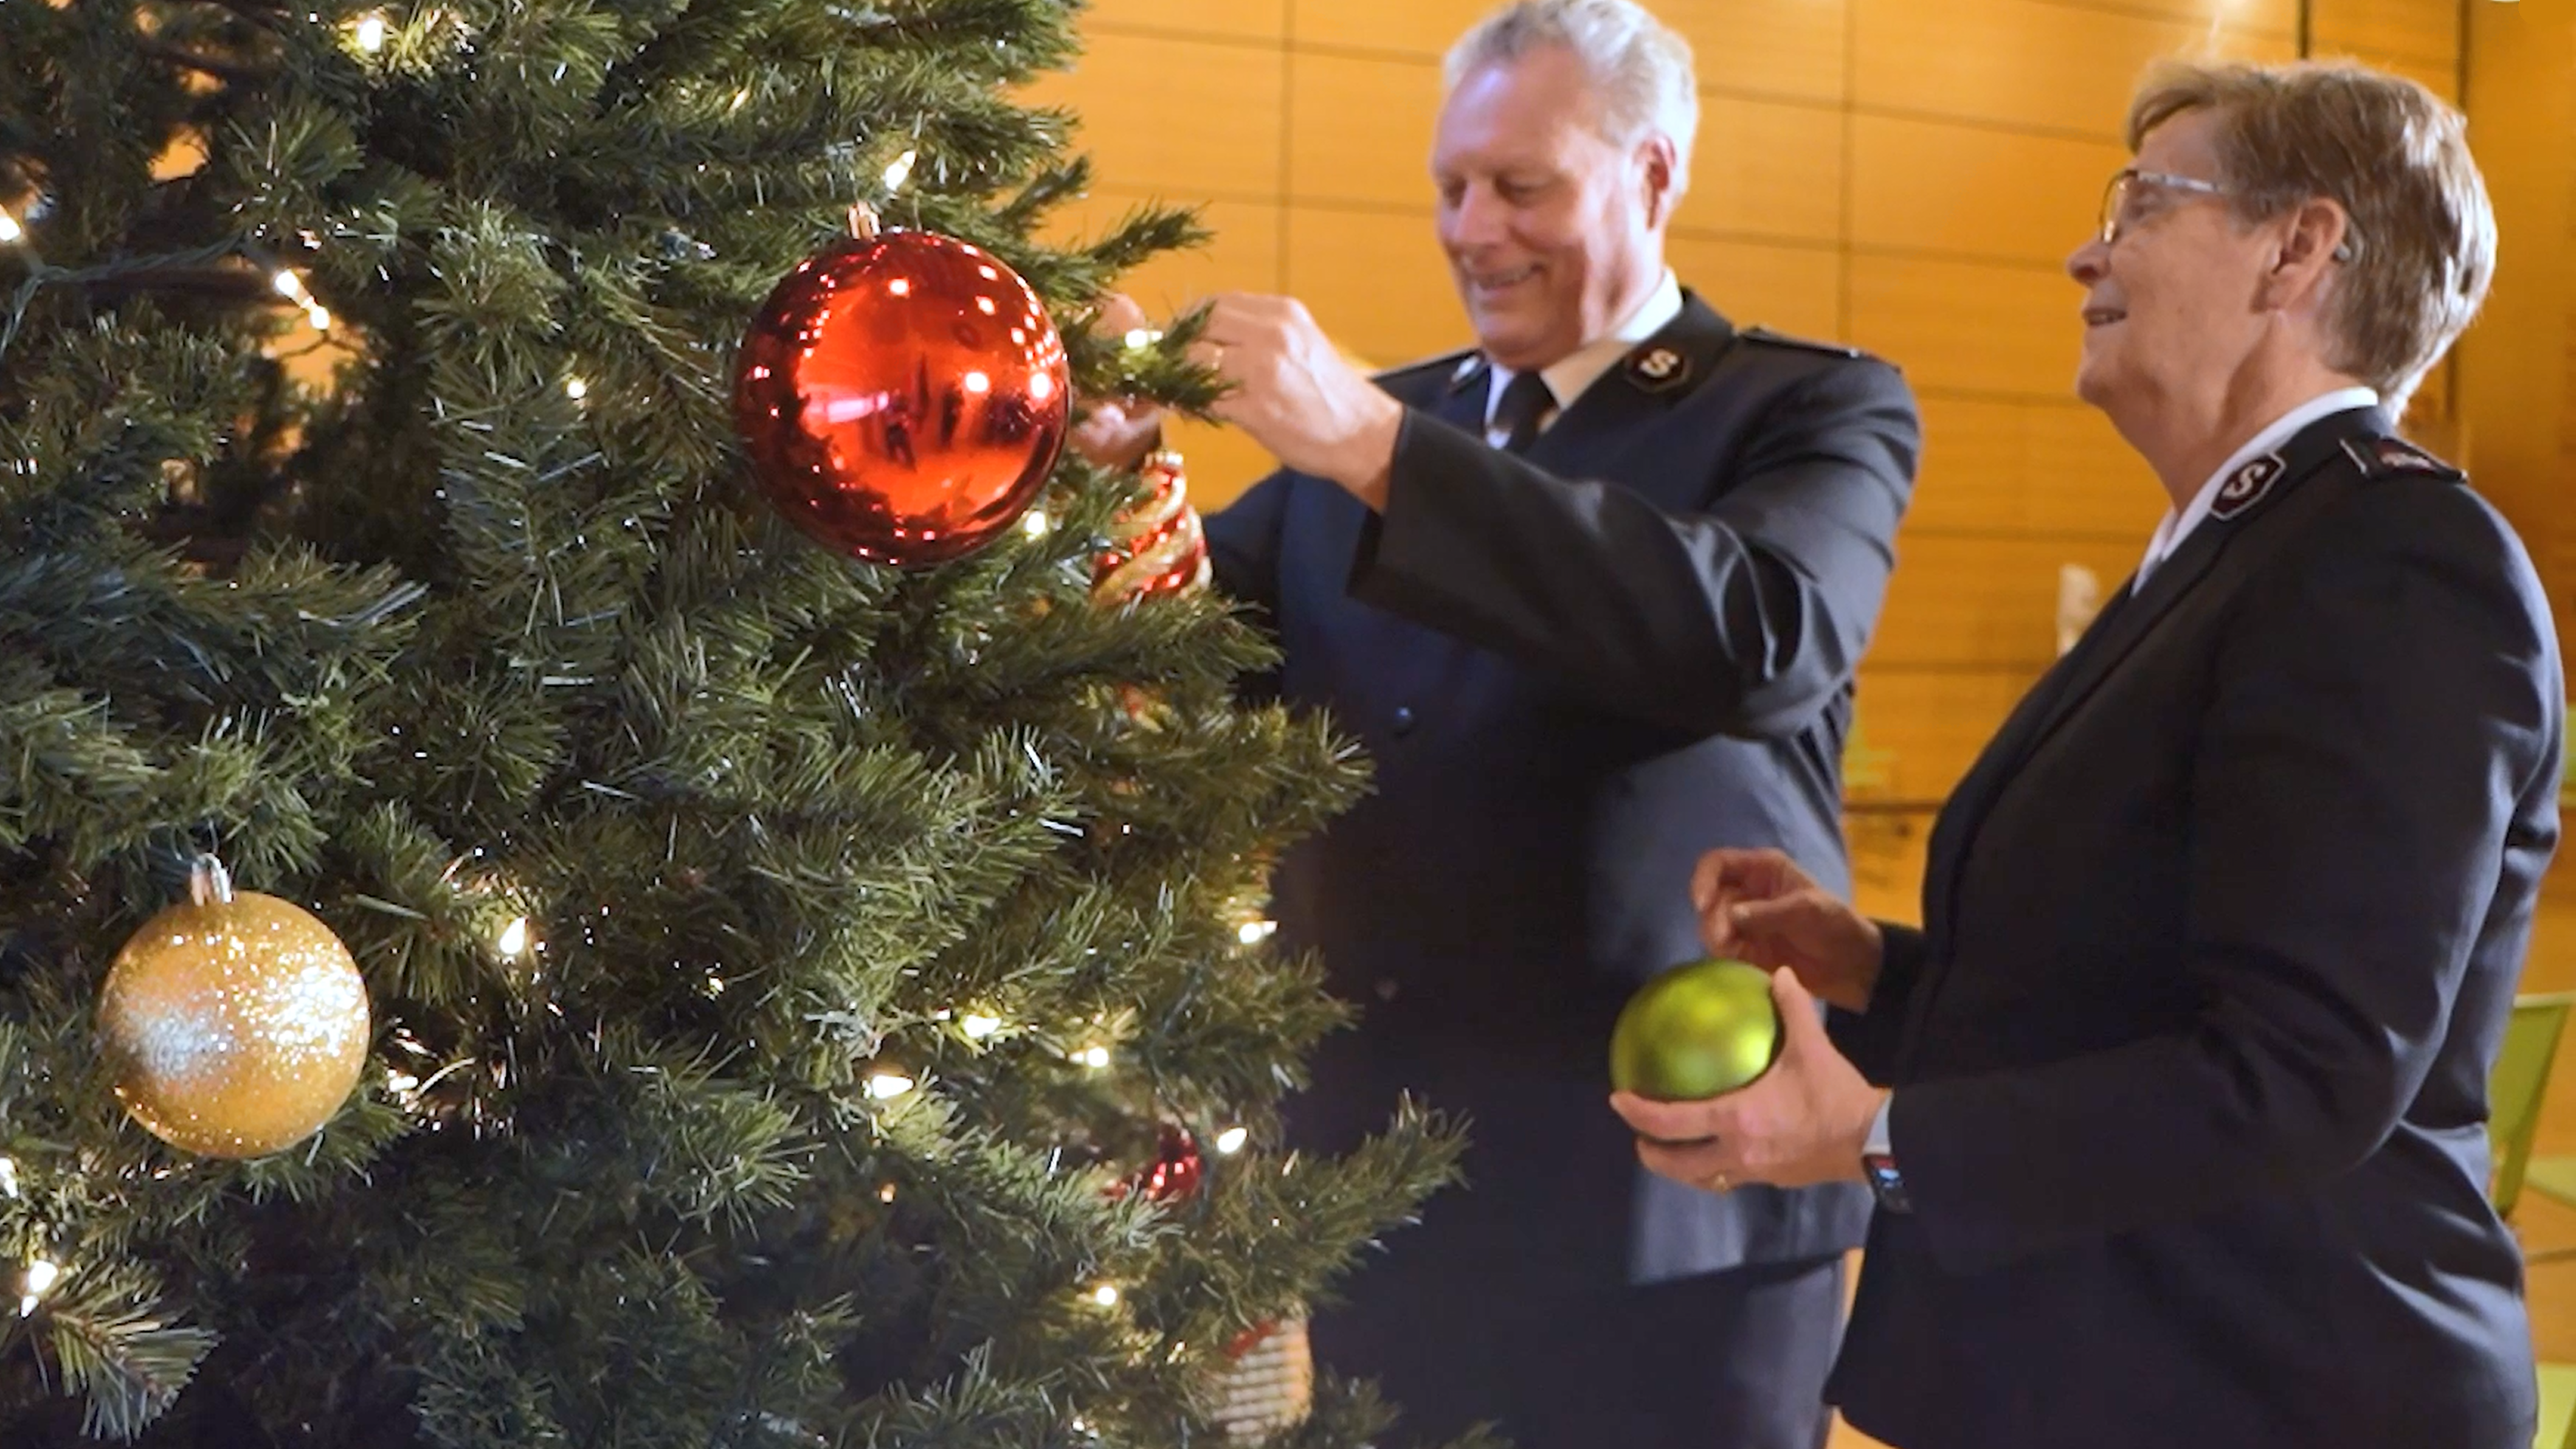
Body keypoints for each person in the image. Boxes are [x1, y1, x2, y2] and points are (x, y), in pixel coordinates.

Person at [1612, 58, 2560, 1449]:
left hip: (2280, 1384)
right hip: (2141, 1371)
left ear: (2296, 248)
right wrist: (1875, 968)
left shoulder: (2390, 561)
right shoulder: (2242, 548)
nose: (2084, 251)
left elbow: (2300, 1072)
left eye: (2141, 205)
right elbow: (2137, 991)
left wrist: (1873, 1135)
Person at [1074, 1, 1917, 1443]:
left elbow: (1755, 632)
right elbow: (1200, 663)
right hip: (1382, 1178)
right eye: (1448, 187)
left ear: (1652, 176)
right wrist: (1112, 481)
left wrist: (1379, 453)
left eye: (1519, 185)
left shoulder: (1804, 406)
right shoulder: (1381, 425)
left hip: (1673, 1196)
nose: (1470, 229)